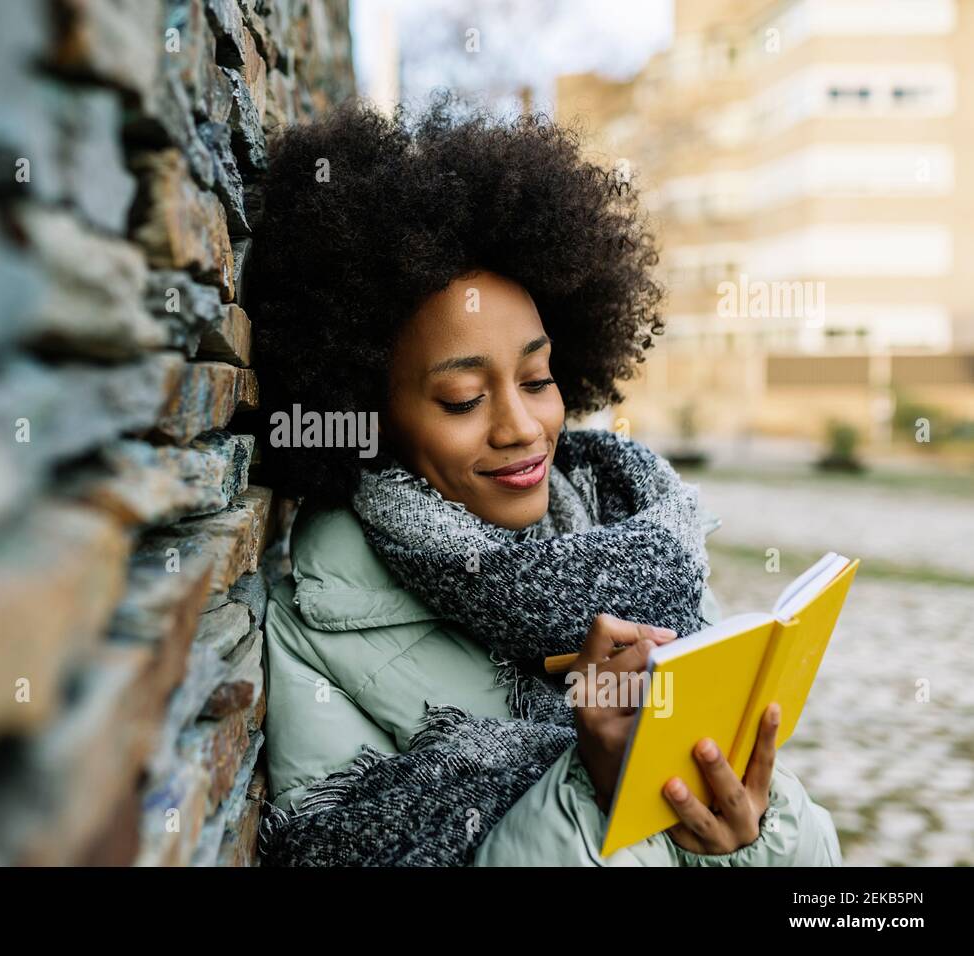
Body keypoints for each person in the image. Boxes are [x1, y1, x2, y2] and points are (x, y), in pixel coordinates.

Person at [246, 91, 842, 866]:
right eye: (462, 398)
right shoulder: (320, 626)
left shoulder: (640, 546)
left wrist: (746, 840)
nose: (522, 429)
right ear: (370, 408)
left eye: (536, 379)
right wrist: (591, 796)